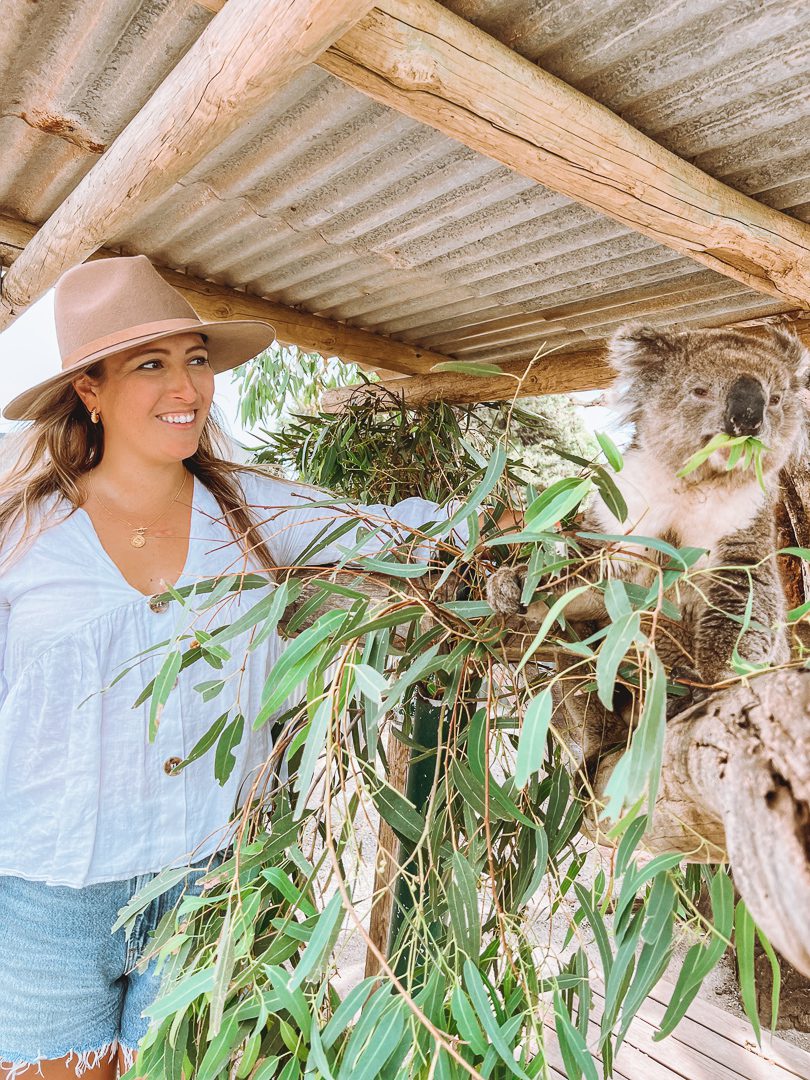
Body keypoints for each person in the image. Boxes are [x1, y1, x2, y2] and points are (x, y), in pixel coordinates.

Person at [0, 256, 469, 1080]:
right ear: (90, 390)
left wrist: (519, 526)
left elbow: (400, 534)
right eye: (150, 364)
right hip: (43, 897)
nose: (186, 386)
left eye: (196, 360)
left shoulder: (254, 512)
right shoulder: (21, 538)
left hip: (212, 883)